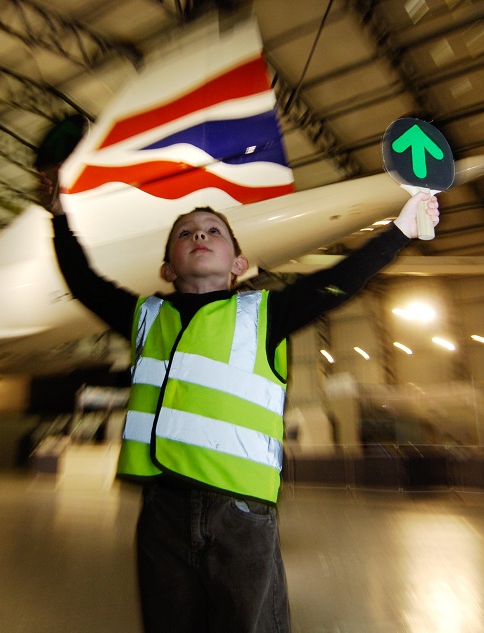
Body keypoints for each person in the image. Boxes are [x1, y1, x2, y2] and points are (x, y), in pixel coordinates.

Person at [38, 166, 438, 633]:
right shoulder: (145, 316)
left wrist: (401, 231)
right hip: (162, 510)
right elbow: (83, 281)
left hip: (240, 514)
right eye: (185, 233)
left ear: (237, 264)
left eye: (213, 231)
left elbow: (339, 281)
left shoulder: (265, 314)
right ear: (168, 267)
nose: (199, 235)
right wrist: (58, 216)